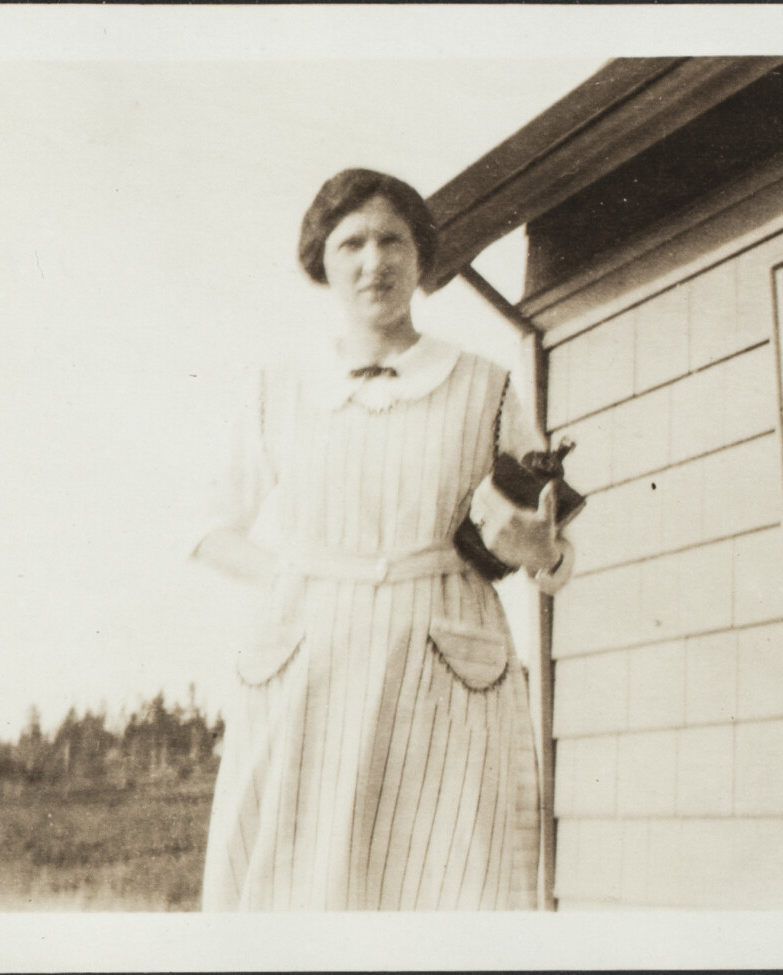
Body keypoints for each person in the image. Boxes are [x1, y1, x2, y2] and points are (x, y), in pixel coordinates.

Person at [191, 168, 574, 911]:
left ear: (421, 255)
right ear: (321, 262)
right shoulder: (279, 387)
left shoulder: (485, 386)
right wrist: (301, 581)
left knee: (456, 881)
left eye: (393, 239)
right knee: (299, 885)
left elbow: (553, 553)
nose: (376, 261)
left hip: (448, 669)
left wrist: (536, 551)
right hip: (310, 667)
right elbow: (210, 528)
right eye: (352, 243)